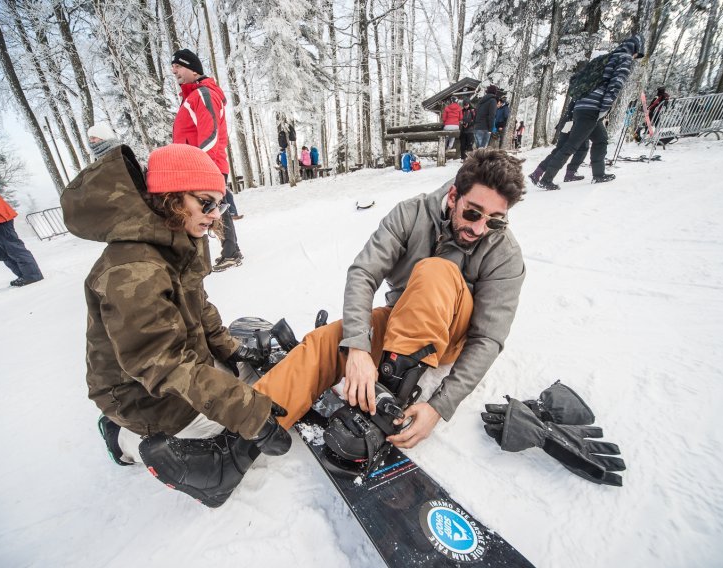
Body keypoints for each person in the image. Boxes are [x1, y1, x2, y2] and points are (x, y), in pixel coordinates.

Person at [251, 148, 525, 465]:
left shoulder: (504, 254)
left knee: (435, 270)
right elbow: (364, 273)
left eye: (495, 222)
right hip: (404, 321)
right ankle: (241, 438)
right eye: (473, 214)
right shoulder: (411, 214)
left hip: (453, 337)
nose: (479, 229)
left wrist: (439, 406)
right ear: (453, 197)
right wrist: (356, 349)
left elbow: (488, 338)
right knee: (329, 340)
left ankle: (382, 407)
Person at [60, 143, 291, 508]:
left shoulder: (177, 239)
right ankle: (124, 439)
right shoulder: (134, 269)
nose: (215, 215)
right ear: (171, 197)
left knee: (252, 381)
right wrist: (247, 413)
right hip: (140, 392)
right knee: (227, 445)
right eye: (206, 202)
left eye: (220, 204)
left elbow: (198, 305)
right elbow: (160, 362)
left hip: (176, 364)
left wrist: (232, 349)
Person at [535, 34, 645, 190]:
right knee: (572, 145)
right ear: (635, 49)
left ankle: (599, 174)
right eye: (637, 54)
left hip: (581, 106)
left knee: (601, 139)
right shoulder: (624, 59)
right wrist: (604, 109)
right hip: (593, 108)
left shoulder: (605, 58)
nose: (635, 57)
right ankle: (546, 180)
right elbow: (615, 85)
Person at [171, 48, 243, 270]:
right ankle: (222, 253)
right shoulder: (193, 95)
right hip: (199, 166)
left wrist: (198, 164)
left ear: (193, 69)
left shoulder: (203, 94)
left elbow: (210, 134)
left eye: (179, 66)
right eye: (173, 68)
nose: (174, 71)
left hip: (204, 167)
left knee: (211, 211)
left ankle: (230, 253)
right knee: (209, 211)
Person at [528, 101, 591, 187]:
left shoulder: (579, 93)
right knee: (582, 148)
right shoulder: (587, 92)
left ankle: (537, 172)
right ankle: (570, 173)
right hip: (574, 123)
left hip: (567, 122)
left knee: (560, 150)